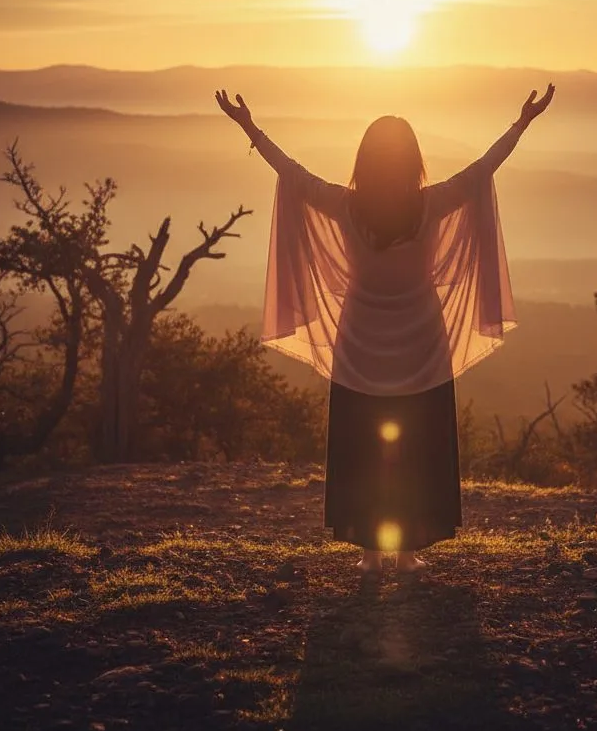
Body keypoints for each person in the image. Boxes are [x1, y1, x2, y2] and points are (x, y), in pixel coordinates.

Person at [216, 82, 555, 574]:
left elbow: (289, 171)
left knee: (364, 446)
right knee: (416, 446)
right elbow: (484, 168)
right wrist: (523, 121)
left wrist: (249, 126)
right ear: (413, 161)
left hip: (358, 346)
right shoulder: (432, 203)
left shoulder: (344, 205)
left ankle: (374, 554)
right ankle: (409, 552)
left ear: (363, 161)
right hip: (423, 345)